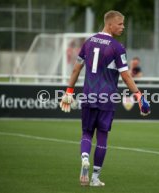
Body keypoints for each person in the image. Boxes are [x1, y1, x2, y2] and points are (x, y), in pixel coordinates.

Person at [59, 10, 150, 187]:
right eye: (120, 24)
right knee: (102, 137)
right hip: (107, 97)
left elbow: (76, 70)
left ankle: (84, 158)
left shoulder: (88, 42)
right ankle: (94, 178)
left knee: (86, 133)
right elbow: (126, 77)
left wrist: (69, 91)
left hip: (88, 94)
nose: (123, 27)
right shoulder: (117, 47)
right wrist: (139, 96)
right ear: (109, 24)